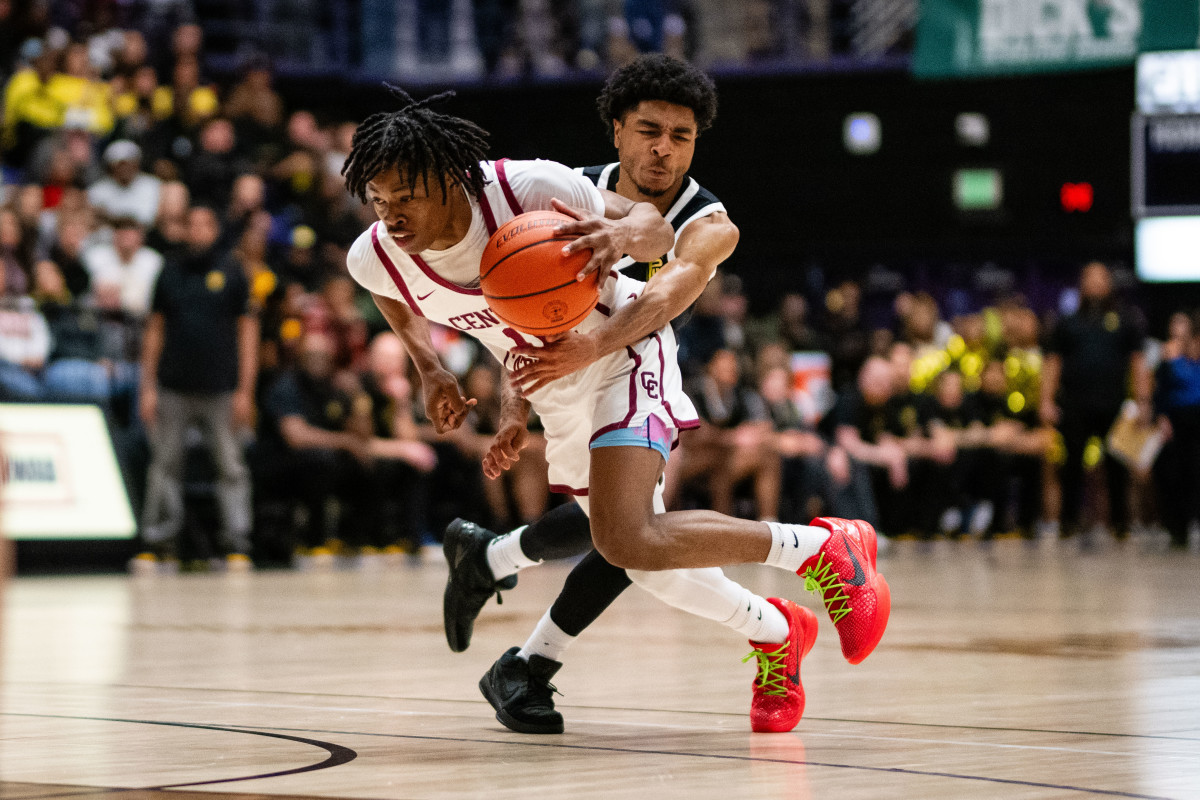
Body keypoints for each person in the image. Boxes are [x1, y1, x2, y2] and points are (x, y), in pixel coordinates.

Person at [340, 66, 888, 736]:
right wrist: (435, 370)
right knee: (635, 553)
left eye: (679, 136)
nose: (664, 147)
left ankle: (819, 547)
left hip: (630, 353)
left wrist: (624, 239)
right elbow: (452, 309)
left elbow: (658, 268)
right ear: (618, 131)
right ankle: (777, 631)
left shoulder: (544, 190)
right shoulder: (379, 253)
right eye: (650, 130)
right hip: (556, 380)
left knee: (626, 534)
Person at [135, 205, 257, 571]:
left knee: (231, 467)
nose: (199, 231)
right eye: (193, 224)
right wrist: (147, 387)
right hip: (173, 385)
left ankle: (237, 543)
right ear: (184, 229)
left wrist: (245, 390)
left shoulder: (233, 270)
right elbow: (154, 331)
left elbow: (248, 332)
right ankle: (160, 544)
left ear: (215, 229)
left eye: (206, 224)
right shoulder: (169, 271)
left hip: (222, 388)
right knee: (165, 465)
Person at [1041, 262, 1150, 541]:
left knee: (1117, 467)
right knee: (1071, 466)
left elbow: (1139, 362)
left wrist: (1143, 401)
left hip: (1113, 404)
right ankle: (1068, 523)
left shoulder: (1125, 319)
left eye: (1101, 278)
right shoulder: (1068, 322)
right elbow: (1053, 362)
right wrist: (1046, 399)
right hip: (1075, 404)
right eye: (1089, 278)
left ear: (1109, 283)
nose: (1095, 283)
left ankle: (1120, 525)